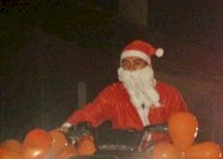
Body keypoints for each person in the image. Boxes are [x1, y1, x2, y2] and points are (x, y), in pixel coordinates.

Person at [60, 40, 189, 132]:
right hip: (126, 158)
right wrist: (67, 127)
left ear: (148, 66)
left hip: (164, 158)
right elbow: (92, 112)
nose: (131, 69)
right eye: (126, 64)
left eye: (137, 63)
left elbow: (185, 123)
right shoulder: (114, 93)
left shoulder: (170, 94)